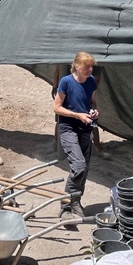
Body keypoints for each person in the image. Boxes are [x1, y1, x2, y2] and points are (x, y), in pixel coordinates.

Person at [53, 52, 98, 220]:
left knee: (84, 168)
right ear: (77, 66)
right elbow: (56, 107)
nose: (90, 69)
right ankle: (65, 206)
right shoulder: (66, 82)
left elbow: (92, 102)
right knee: (78, 165)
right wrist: (77, 115)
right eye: (87, 67)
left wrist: (93, 111)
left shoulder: (91, 81)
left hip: (85, 128)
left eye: (91, 66)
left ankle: (76, 201)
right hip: (68, 128)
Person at [53, 63, 110, 159]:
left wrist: (85, 88)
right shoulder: (66, 75)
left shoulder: (92, 66)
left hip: (84, 95)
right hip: (67, 93)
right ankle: (56, 144)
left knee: (91, 119)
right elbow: (59, 68)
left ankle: (97, 147)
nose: (90, 69)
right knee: (61, 119)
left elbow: (96, 80)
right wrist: (55, 86)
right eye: (87, 67)